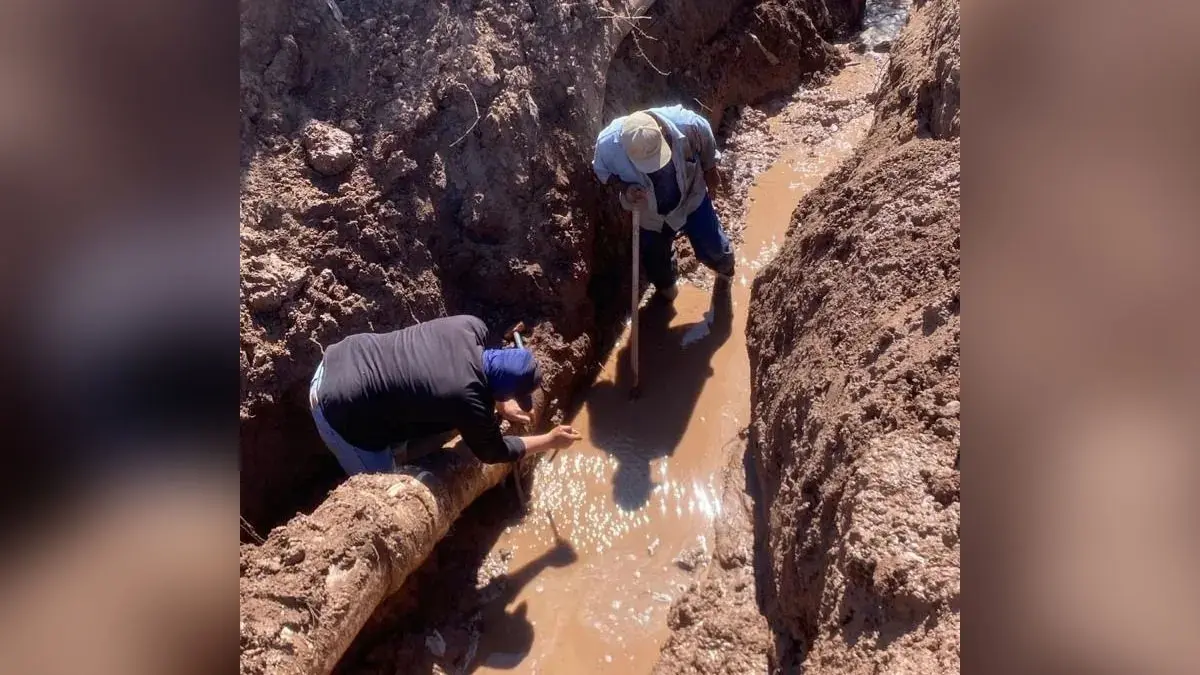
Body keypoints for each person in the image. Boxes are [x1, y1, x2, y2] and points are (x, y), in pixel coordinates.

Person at [308, 315, 582, 475]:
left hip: (343, 356)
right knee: (384, 488)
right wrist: (549, 440)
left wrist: (502, 403)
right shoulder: (466, 399)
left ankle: (394, 445)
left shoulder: (469, 326)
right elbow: (494, 452)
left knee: (401, 404)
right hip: (337, 405)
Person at [592, 105, 736, 301]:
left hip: (690, 197)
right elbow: (602, 171)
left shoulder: (689, 125)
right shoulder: (608, 145)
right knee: (657, 263)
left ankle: (726, 275)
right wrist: (624, 187)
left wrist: (710, 169)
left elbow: (707, 144)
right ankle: (667, 289)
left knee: (714, 248)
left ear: (662, 131)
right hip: (650, 213)